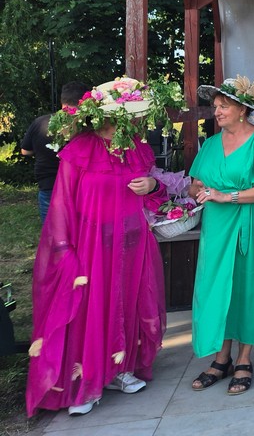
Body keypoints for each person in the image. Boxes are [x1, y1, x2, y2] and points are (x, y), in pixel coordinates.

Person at [26, 77, 183, 417]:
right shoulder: (79, 149)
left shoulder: (137, 148)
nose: (126, 121)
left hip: (130, 241)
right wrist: (64, 247)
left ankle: (119, 369)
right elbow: (61, 203)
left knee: (125, 301)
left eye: (130, 115)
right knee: (90, 305)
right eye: (120, 114)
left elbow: (155, 196)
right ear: (102, 114)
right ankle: (85, 380)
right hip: (89, 243)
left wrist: (152, 184)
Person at [188, 75, 254, 395]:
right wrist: (200, 190)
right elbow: (194, 183)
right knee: (214, 288)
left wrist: (226, 197)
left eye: (223, 106)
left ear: (242, 109)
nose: (216, 111)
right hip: (216, 226)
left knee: (246, 287)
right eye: (215, 106)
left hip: (250, 221)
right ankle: (221, 357)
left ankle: (243, 358)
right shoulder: (211, 144)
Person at [20, 81, 88, 222]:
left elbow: (25, 151)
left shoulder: (40, 122)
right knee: (80, 235)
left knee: (53, 234)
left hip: (48, 185)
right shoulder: (88, 126)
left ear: (63, 101)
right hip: (80, 187)